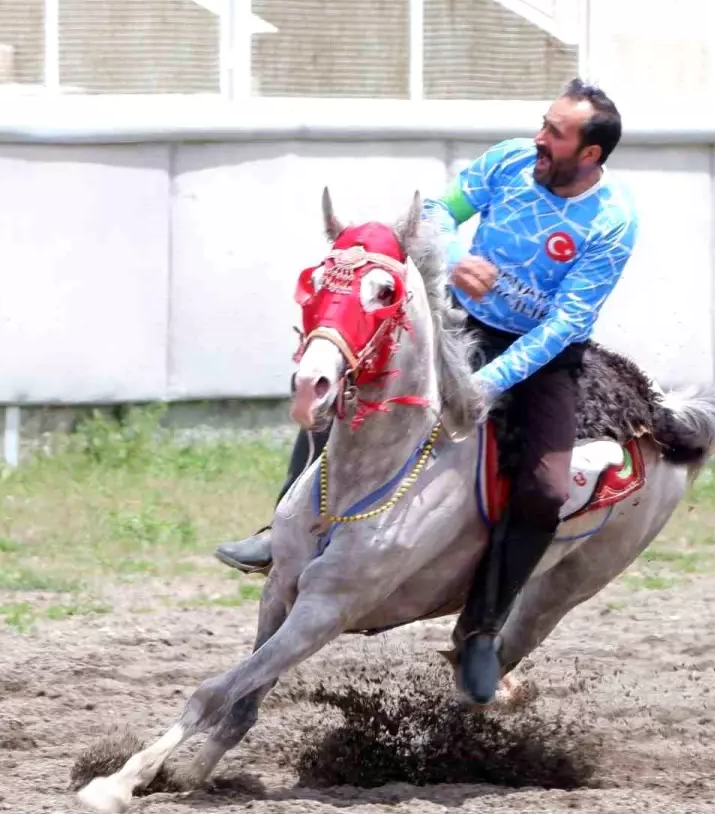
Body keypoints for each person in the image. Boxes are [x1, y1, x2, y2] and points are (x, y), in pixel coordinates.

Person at [213, 77, 639, 704]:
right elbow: (437, 214)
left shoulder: (612, 222)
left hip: (539, 360)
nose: (540, 139)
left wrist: (486, 383)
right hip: (456, 321)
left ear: (591, 154)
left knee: (544, 489)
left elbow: (568, 323)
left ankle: (480, 633)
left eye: (556, 133)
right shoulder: (509, 161)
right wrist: (458, 255)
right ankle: (278, 534)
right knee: (345, 389)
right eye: (543, 124)